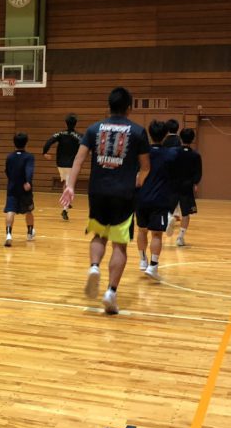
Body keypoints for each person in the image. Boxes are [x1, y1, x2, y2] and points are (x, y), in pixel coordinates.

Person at [60, 86, 150, 315]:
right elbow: (146, 167)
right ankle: (111, 292)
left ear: (108, 106)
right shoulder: (138, 132)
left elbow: (78, 160)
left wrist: (70, 186)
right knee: (119, 244)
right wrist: (137, 182)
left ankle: (94, 267)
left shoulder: (93, 129)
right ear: (129, 107)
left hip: (97, 191)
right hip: (123, 193)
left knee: (99, 235)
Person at [136, 121, 179, 280]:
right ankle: (153, 266)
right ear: (165, 135)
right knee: (156, 234)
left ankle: (142, 260)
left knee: (141, 230)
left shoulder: (142, 153)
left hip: (141, 197)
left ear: (150, 134)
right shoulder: (170, 155)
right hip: (159, 198)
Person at [42, 114, 82, 220]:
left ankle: (66, 203)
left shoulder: (60, 134)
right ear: (75, 124)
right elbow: (85, 146)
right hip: (71, 165)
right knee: (70, 186)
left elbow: (49, 141)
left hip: (60, 164)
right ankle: (65, 210)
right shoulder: (79, 136)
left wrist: (45, 152)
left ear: (66, 123)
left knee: (66, 182)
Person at [169, 127, 203, 247]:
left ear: (180, 138)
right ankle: (180, 237)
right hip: (187, 186)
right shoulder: (195, 155)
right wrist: (195, 183)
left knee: (168, 208)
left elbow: (168, 167)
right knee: (185, 213)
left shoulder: (173, 152)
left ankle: (169, 219)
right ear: (192, 139)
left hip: (173, 184)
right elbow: (198, 172)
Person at [3, 132, 35, 247]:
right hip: (25, 189)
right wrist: (27, 181)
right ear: (26, 143)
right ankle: (30, 233)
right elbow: (29, 169)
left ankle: (8, 235)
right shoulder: (29, 157)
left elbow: (6, 171)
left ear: (14, 143)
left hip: (12, 187)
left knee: (10, 210)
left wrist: (12, 180)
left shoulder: (9, 157)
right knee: (28, 211)